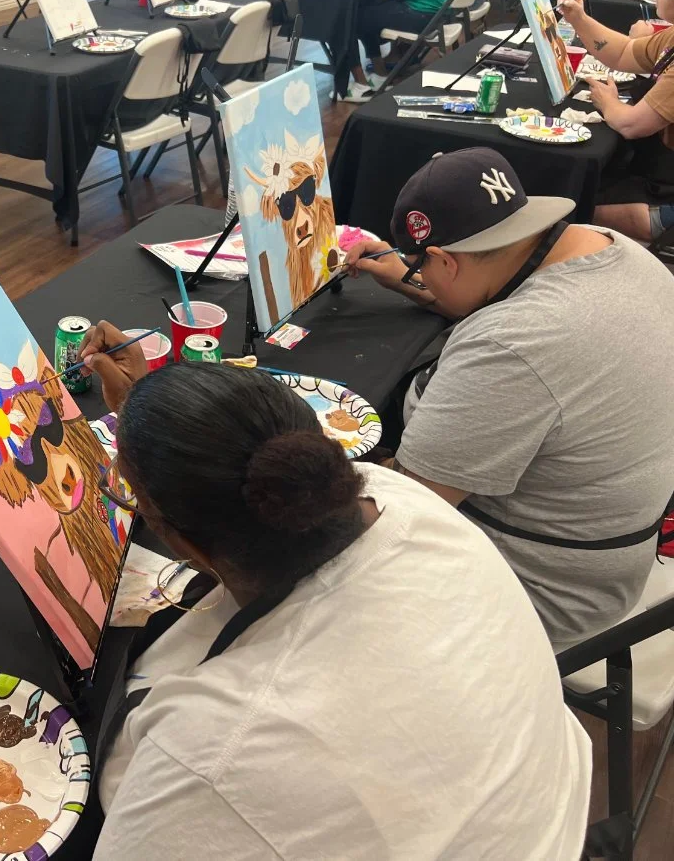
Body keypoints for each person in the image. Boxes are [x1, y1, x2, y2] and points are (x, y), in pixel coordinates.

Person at [76, 330, 591, 859]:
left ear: (180, 541)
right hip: (546, 822)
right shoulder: (402, 500)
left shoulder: (211, 755)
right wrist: (154, 414)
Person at [346, 147, 674, 651]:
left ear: (445, 261)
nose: (418, 274)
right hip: (608, 551)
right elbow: (496, 286)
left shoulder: (513, 345)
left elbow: (405, 514)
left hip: (535, 588)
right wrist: (404, 276)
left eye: (422, 265)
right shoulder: (621, 253)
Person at [558, 0, 674, 241]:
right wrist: (578, 18)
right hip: (659, 175)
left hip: (666, 200)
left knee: (569, 206)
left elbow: (632, 124)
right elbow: (623, 52)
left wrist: (607, 102)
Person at [346, 0, 454, 102]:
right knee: (369, 13)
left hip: (423, 13)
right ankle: (380, 75)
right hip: (441, 10)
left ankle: (366, 83)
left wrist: (376, 4)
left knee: (354, 18)